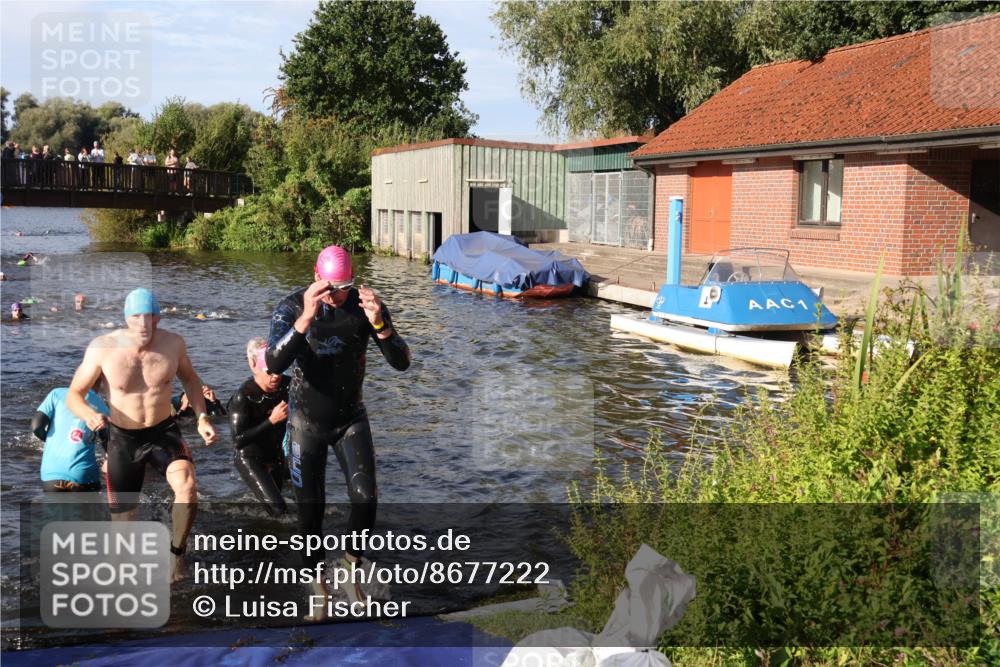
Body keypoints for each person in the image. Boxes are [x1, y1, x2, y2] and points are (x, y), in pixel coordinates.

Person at [267, 244, 410, 617]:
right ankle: (319, 587)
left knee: (365, 497)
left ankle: (350, 567)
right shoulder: (291, 307)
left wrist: (380, 324)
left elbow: (402, 363)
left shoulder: (364, 307)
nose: (336, 296)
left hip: (350, 418)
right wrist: (306, 319)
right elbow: (273, 362)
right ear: (316, 278)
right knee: (309, 514)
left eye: (343, 287)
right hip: (305, 424)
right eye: (329, 287)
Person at [66, 288, 219, 581]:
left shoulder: (173, 344)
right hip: (123, 438)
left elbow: (190, 378)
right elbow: (74, 394)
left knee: (187, 488)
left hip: (163, 431)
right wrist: (89, 414)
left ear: (158, 319)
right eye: (136, 317)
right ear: (126, 319)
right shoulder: (103, 348)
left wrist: (201, 418)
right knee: (123, 525)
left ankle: (177, 557)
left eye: (150, 317)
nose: (143, 324)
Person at [229, 338, 291, 516]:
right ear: (254, 365)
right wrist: (271, 420)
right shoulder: (243, 396)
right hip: (249, 457)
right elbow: (238, 441)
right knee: (279, 510)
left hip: (276, 455)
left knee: (278, 508)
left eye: (279, 370)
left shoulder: (287, 385)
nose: (276, 376)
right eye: (269, 371)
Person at [33, 383, 109, 492]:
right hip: (84, 476)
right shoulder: (102, 406)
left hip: (51, 475)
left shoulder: (56, 393)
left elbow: (36, 427)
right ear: (100, 384)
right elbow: (109, 444)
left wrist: (50, 441)